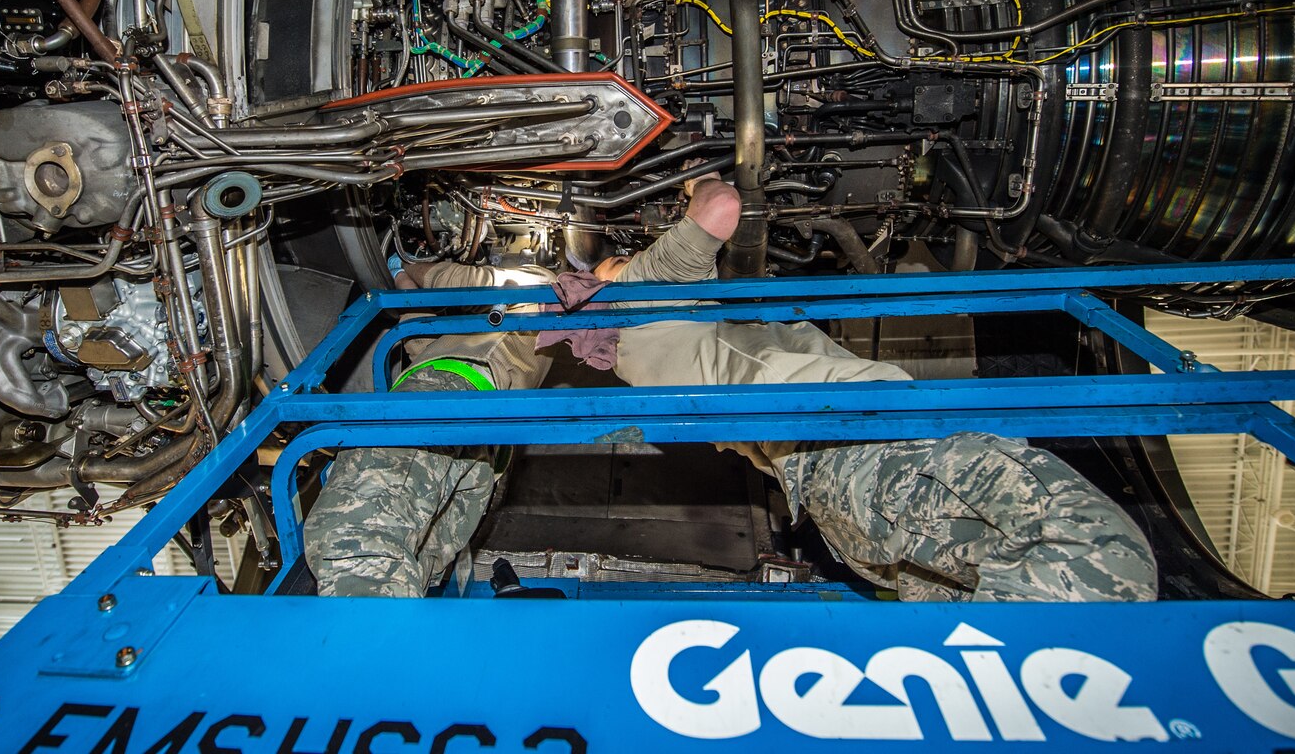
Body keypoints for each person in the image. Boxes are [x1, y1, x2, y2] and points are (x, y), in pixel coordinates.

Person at [303, 179, 1157, 603]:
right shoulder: (645, 308)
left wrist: (494, 280)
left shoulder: (617, 321)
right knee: (1099, 561)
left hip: (848, 462)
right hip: (857, 454)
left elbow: (421, 279)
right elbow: (713, 216)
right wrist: (686, 197)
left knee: (383, 564)